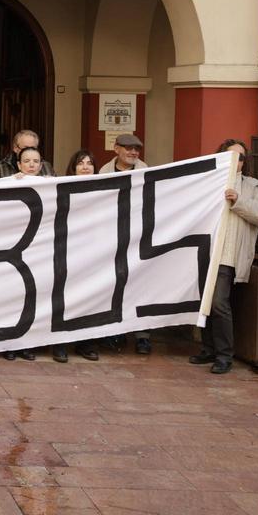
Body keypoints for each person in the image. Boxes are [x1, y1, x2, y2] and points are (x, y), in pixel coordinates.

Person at [189, 139, 258, 375]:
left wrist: (238, 200)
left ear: (244, 163)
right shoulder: (208, 182)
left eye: (241, 157)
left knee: (218, 303)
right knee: (203, 302)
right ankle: (207, 349)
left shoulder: (254, 187)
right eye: (231, 156)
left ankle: (225, 355)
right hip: (203, 251)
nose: (236, 161)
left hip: (228, 255)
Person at [98, 133, 152, 354]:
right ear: (116, 149)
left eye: (136, 149)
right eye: (128, 148)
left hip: (138, 237)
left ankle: (143, 335)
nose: (133, 153)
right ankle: (115, 331)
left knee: (140, 284)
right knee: (114, 284)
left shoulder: (146, 172)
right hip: (112, 238)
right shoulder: (103, 173)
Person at [1, 146, 53, 361]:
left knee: (32, 297)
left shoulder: (50, 186)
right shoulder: (9, 183)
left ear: (41, 165)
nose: (32, 165)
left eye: (36, 161)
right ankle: (8, 344)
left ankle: (27, 343)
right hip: (13, 250)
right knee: (12, 297)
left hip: (38, 250)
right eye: (27, 161)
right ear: (19, 165)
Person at [49, 149, 101, 363]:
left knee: (90, 296)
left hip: (94, 251)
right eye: (81, 163)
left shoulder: (104, 189)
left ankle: (85, 342)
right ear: (73, 167)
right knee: (63, 296)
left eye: (90, 163)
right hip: (66, 249)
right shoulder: (59, 187)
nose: (86, 167)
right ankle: (59, 342)